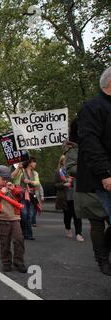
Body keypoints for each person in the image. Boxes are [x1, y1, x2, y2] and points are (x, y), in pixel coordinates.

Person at [76, 66, 111, 276]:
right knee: (97, 223)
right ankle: (102, 257)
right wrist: (106, 173)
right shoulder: (92, 108)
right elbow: (90, 143)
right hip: (98, 182)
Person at [0, 165, 27, 273]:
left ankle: (19, 262)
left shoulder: (10, 186)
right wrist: (0, 194)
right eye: (3, 178)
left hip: (15, 217)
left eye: (7, 178)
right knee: (5, 242)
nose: (5, 180)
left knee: (19, 239)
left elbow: (20, 196)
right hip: (1, 217)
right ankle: (6, 262)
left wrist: (14, 189)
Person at [54, 155, 84, 242]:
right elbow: (55, 185)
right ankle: (68, 228)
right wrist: (63, 184)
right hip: (65, 198)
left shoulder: (75, 170)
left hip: (75, 197)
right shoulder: (58, 172)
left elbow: (81, 182)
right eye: (65, 160)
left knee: (77, 216)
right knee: (67, 216)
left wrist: (73, 182)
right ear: (62, 162)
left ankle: (79, 234)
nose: (67, 161)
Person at [12, 156, 41, 241]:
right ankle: (22, 232)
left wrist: (30, 182)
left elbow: (37, 183)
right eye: (34, 162)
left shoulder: (35, 173)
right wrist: (18, 168)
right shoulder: (21, 171)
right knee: (24, 215)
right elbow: (12, 176)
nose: (35, 163)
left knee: (30, 215)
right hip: (22, 195)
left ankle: (29, 234)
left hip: (31, 195)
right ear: (29, 163)